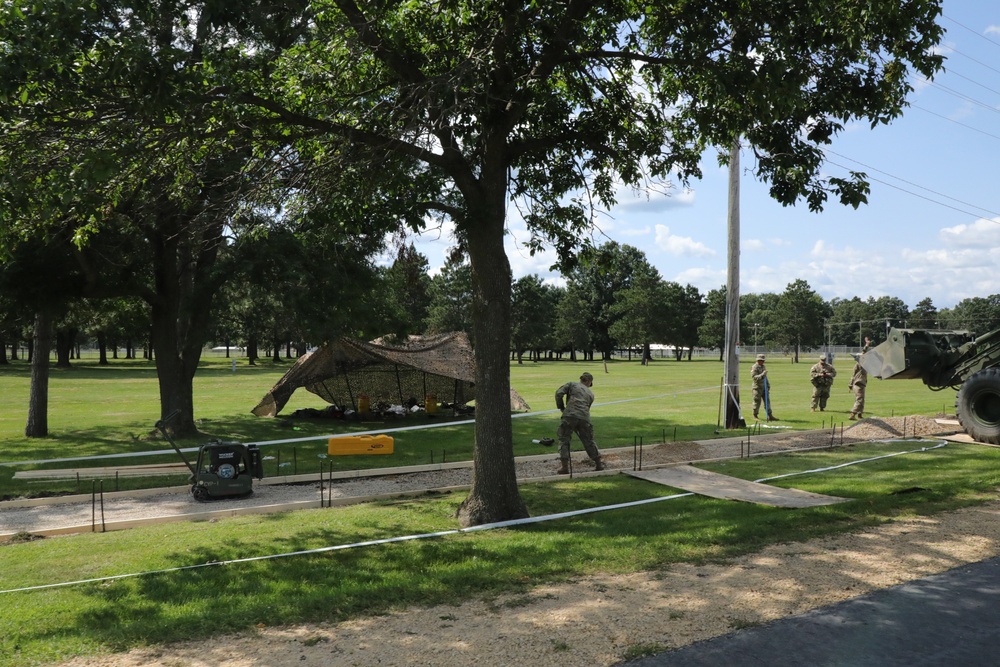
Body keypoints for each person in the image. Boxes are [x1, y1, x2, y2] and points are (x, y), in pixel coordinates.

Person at [554, 371, 604, 474]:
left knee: (564, 439)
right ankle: (598, 463)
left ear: (581, 379)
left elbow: (559, 393)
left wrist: (561, 407)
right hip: (584, 417)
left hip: (570, 415)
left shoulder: (572, 384)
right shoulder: (590, 394)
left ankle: (565, 467)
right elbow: (587, 408)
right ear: (589, 382)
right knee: (588, 440)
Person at [848, 337, 872, 420]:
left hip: (860, 384)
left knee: (861, 399)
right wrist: (867, 345)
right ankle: (852, 414)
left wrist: (850, 385)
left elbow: (852, 376)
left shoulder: (860, 364)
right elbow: (863, 353)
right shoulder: (860, 364)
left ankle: (860, 414)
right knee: (859, 400)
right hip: (859, 384)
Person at [750, 354, 776, 420]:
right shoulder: (754, 367)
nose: (762, 362)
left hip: (764, 387)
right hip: (757, 387)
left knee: (767, 402)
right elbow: (754, 377)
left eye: (763, 360)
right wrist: (762, 375)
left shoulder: (763, 366)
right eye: (761, 360)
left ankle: (770, 415)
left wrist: (767, 384)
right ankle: (755, 415)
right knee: (757, 402)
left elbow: (765, 377)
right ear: (758, 360)